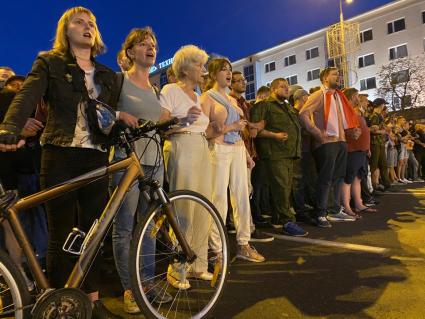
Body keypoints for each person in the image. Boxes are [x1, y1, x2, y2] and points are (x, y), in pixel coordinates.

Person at [0, 7, 138, 318]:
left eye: (92, 23)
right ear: (66, 30)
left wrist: (124, 120)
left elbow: (108, 115)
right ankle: (59, 302)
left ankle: (90, 302)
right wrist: (10, 127)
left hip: (95, 156)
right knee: (61, 234)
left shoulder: (105, 74)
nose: (87, 26)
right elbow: (26, 97)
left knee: (93, 233)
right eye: (79, 22)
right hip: (60, 153)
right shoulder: (49, 62)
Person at [111, 27, 172, 314]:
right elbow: (101, 113)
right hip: (126, 159)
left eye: (153, 45)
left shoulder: (155, 90)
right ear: (130, 51)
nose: (150, 48)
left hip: (154, 161)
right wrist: (119, 116)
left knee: (148, 226)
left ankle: (147, 282)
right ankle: (129, 288)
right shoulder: (119, 81)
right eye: (143, 44)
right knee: (124, 227)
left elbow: (159, 123)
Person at [159, 45, 213, 289]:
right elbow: (161, 127)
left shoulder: (198, 93)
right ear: (185, 67)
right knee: (183, 210)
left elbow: (204, 127)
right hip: (181, 146)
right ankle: (177, 269)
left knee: (203, 206)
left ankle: (198, 265)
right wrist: (183, 121)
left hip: (201, 147)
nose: (203, 69)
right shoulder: (170, 90)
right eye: (199, 64)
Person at [202, 58, 266, 262]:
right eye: (223, 70)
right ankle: (217, 250)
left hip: (237, 150)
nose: (229, 74)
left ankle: (243, 244)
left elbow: (240, 131)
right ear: (213, 75)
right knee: (218, 199)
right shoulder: (206, 98)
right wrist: (230, 127)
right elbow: (204, 131)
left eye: (230, 70)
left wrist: (247, 156)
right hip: (218, 150)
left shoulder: (231, 99)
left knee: (242, 197)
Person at [299, 67, 361, 228]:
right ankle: (320, 213)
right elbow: (303, 114)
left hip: (340, 142)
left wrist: (350, 131)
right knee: (325, 179)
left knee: (338, 177)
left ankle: (334, 210)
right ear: (325, 78)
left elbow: (342, 119)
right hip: (326, 143)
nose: (338, 77)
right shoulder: (319, 95)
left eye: (339, 75)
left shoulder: (338, 97)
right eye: (335, 75)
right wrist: (316, 132)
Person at [251, 78, 308, 236]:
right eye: (282, 87)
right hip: (274, 153)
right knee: (281, 188)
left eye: (287, 86)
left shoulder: (287, 106)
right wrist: (274, 136)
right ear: (273, 89)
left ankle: (277, 218)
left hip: (289, 153)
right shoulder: (264, 106)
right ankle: (287, 221)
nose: (286, 89)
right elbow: (254, 130)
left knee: (285, 187)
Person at [229, 70, 273, 241]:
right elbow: (243, 127)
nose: (243, 83)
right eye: (238, 80)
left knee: (246, 190)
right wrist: (252, 127)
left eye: (244, 80)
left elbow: (257, 125)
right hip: (237, 149)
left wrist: (254, 126)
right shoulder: (231, 101)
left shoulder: (246, 104)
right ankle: (247, 228)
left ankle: (242, 225)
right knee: (243, 190)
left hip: (249, 150)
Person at [340, 88, 376, 217]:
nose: (358, 99)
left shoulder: (356, 113)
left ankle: (359, 204)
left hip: (361, 150)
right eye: (356, 96)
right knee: (348, 179)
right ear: (351, 97)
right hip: (352, 150)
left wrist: (367, 148)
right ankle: (347, 206)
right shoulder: (345, 112)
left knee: (357, 178)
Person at [368, 98, 391, 191]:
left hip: (380, 143)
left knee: (383, 164)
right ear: (380, 105)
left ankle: (386, 184)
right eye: (383, 104)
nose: (384, 106)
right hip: (375, 143)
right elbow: (373, 130)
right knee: (374, 165)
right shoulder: (374, 116)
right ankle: (373, 186)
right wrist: (384, 131)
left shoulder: (379, 115)